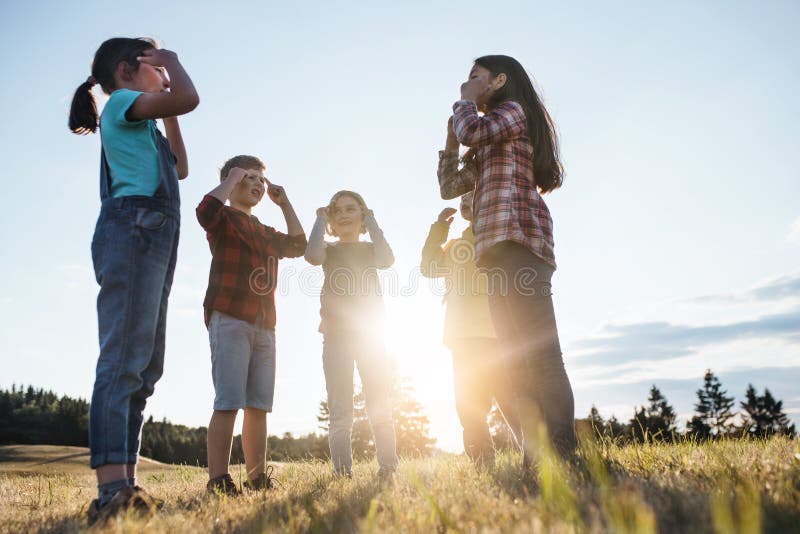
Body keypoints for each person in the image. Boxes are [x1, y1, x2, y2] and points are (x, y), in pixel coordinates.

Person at [69, 37, 198, 523]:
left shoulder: (145, 126)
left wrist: (169, 113)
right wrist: (176, 64)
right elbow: (188, 95)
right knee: (123, 358)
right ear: (126, 71)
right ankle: (110, 490)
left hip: (153, 239)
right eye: (154, 67)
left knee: (145, 365)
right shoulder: (120, 104)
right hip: (133, 233)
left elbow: (181, 170)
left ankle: (125, 482)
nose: (164, 75)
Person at [437, 55, 577, 464]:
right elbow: (450, 187)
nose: (467, 83)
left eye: (474, 77)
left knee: (542, 352)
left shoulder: (513, 112)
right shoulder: (487, 139)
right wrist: (450, 137)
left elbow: (472, 131)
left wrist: (463, 102)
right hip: (494, 252)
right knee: (514, 356)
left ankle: (564, 449)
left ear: (499, 80)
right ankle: (538, 455)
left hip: (520, 241)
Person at [197, 155, 307, 494]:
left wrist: (285, 203)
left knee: (258, 405)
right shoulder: (224, 218)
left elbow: (298, 245)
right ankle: (218, 479)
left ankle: (257, 477)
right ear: (233, 181)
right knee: (228, 400)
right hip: (229, 317)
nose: (258, 185)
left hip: (264, 324)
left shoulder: (263, 231)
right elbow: (205, 213)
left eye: (262, 180)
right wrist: (230, 179)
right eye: (250, 178)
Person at [420, 192, 521, 467]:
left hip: (499, 334)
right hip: (462, 337)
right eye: (464, 199)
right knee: (469, 405)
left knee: (511, 400)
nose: (466, 202)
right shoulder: (454, 246)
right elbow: (428, 267)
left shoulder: (500, 239)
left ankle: (534, 455)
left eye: (474, 196)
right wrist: (439, 230)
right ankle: (482, 460)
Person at [304, 191, 398, 480]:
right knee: (340, 409)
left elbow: (387, 259)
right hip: (336, 338)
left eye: (351, 209)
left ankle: (388, 468)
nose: (344, 215)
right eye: (337, 211)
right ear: (332, 218)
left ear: (362, 215)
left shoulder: (371, 249)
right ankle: (342, 472)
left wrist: (372, 221)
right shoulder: (329, 250)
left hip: (370, 336)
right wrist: (320, 220)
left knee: (379, 403)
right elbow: (312, 255)